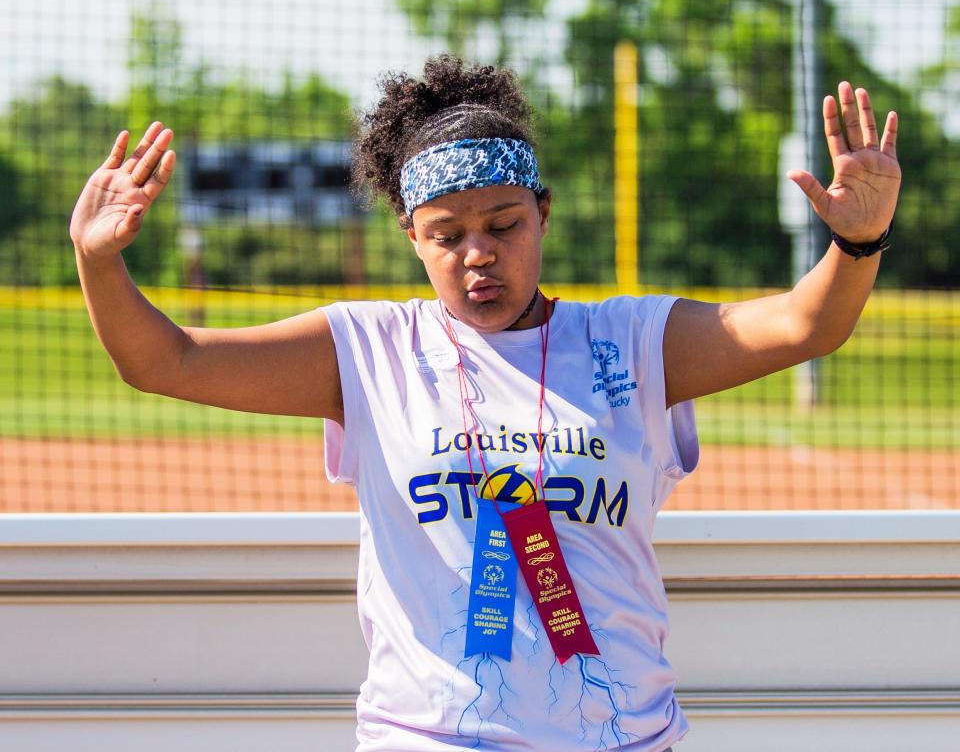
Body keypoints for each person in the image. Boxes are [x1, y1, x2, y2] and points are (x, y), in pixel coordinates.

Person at [69, 54, 900, 751]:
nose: (478, 255)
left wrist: (857, 241)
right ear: (411, 238)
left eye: (503, 224)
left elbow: (803, 323)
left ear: (542, 213)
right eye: (446, 234)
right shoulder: (369, 350)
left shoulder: (633, 341)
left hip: (617, 734)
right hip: (428, 736)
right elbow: (166, 359)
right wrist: (100, 262)